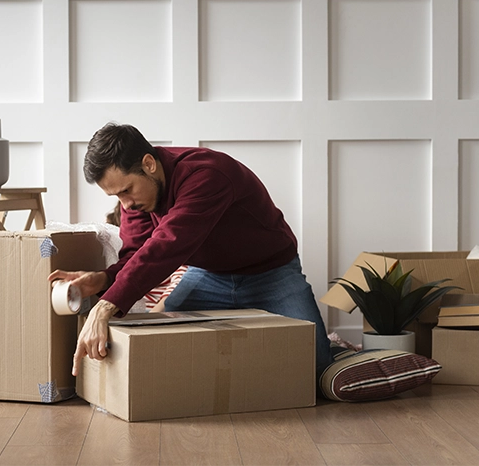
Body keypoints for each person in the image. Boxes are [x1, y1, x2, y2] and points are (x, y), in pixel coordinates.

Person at [48, 122, 332, 382]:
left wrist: (104, 307)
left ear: (148, 164)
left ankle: (341, 354)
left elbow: (168, 245)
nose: (126, 205)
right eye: (117, 197)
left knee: (317, 369)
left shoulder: (208, 174)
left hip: (272, 273)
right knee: (161, 351)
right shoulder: (139, 200)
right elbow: (136, 253)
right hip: (209, 276)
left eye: (127, 190)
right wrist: (102, 279)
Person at [106, 202, 187, 313]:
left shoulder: (173, 257)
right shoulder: (127, 263)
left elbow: (178, 288)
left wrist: (150, 318)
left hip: (154, 313)